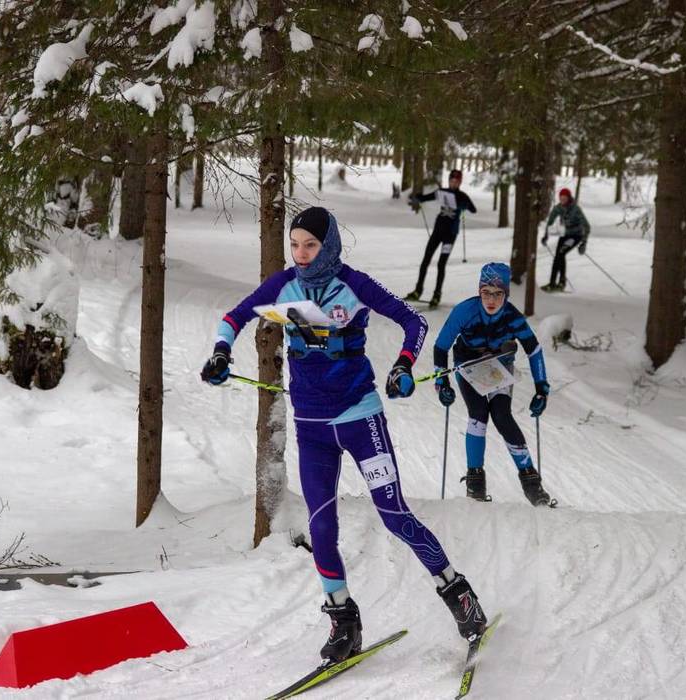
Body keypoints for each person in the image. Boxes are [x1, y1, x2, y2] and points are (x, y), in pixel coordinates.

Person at [201, 206, 487, 662]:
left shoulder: (353, 283)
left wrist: (403, 366)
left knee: (394, 515)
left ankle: (460, 596)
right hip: (311, 426)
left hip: (360, 418)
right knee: (322, 526)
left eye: (310, 245)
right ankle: (343, 623)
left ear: (328, 244)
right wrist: (219, 354)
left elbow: (414, 322)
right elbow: (233, 318)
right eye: (294, 245)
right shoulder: (284, 284)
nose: (301, 255)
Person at [431, 262, 552, 506]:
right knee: (478, 414)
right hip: (468, 364)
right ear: (479, 291)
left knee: (502, 415)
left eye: (498, 294)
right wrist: (441, 382)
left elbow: (534, 349)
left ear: (506, 294)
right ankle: (475, 482)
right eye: (486, 292)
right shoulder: (465, 311)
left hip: (499, 366)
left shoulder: (513, 317)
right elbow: (440, 347)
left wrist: (542, 388)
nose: (491, 300)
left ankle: (531, 482)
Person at [404, 169, 476, 308]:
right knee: (425, 260)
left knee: (441, 264)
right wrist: (418, 197)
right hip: (438, 232)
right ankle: (417, 291)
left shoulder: (462, 196)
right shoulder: (442, 192)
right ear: (449, 181)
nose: (453, 183)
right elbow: (427, 197)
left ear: (460, 182)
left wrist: (463, 205)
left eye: (456, 181)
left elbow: (473, 209)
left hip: (450, 235)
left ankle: (437, 295)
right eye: (452, 180)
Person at [541, 187, 590, 292]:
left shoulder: (576, 209)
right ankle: (553, 283)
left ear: (568, 198)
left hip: (576, 236)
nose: (562, 200)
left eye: (564, 198)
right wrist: (546, 235)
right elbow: (550, 222)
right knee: (558, 256)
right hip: (565, 235)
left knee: (561, 253)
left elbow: (587, 226)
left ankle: (561, 283)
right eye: (561, 198)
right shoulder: (558, 208)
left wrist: (584, 243)